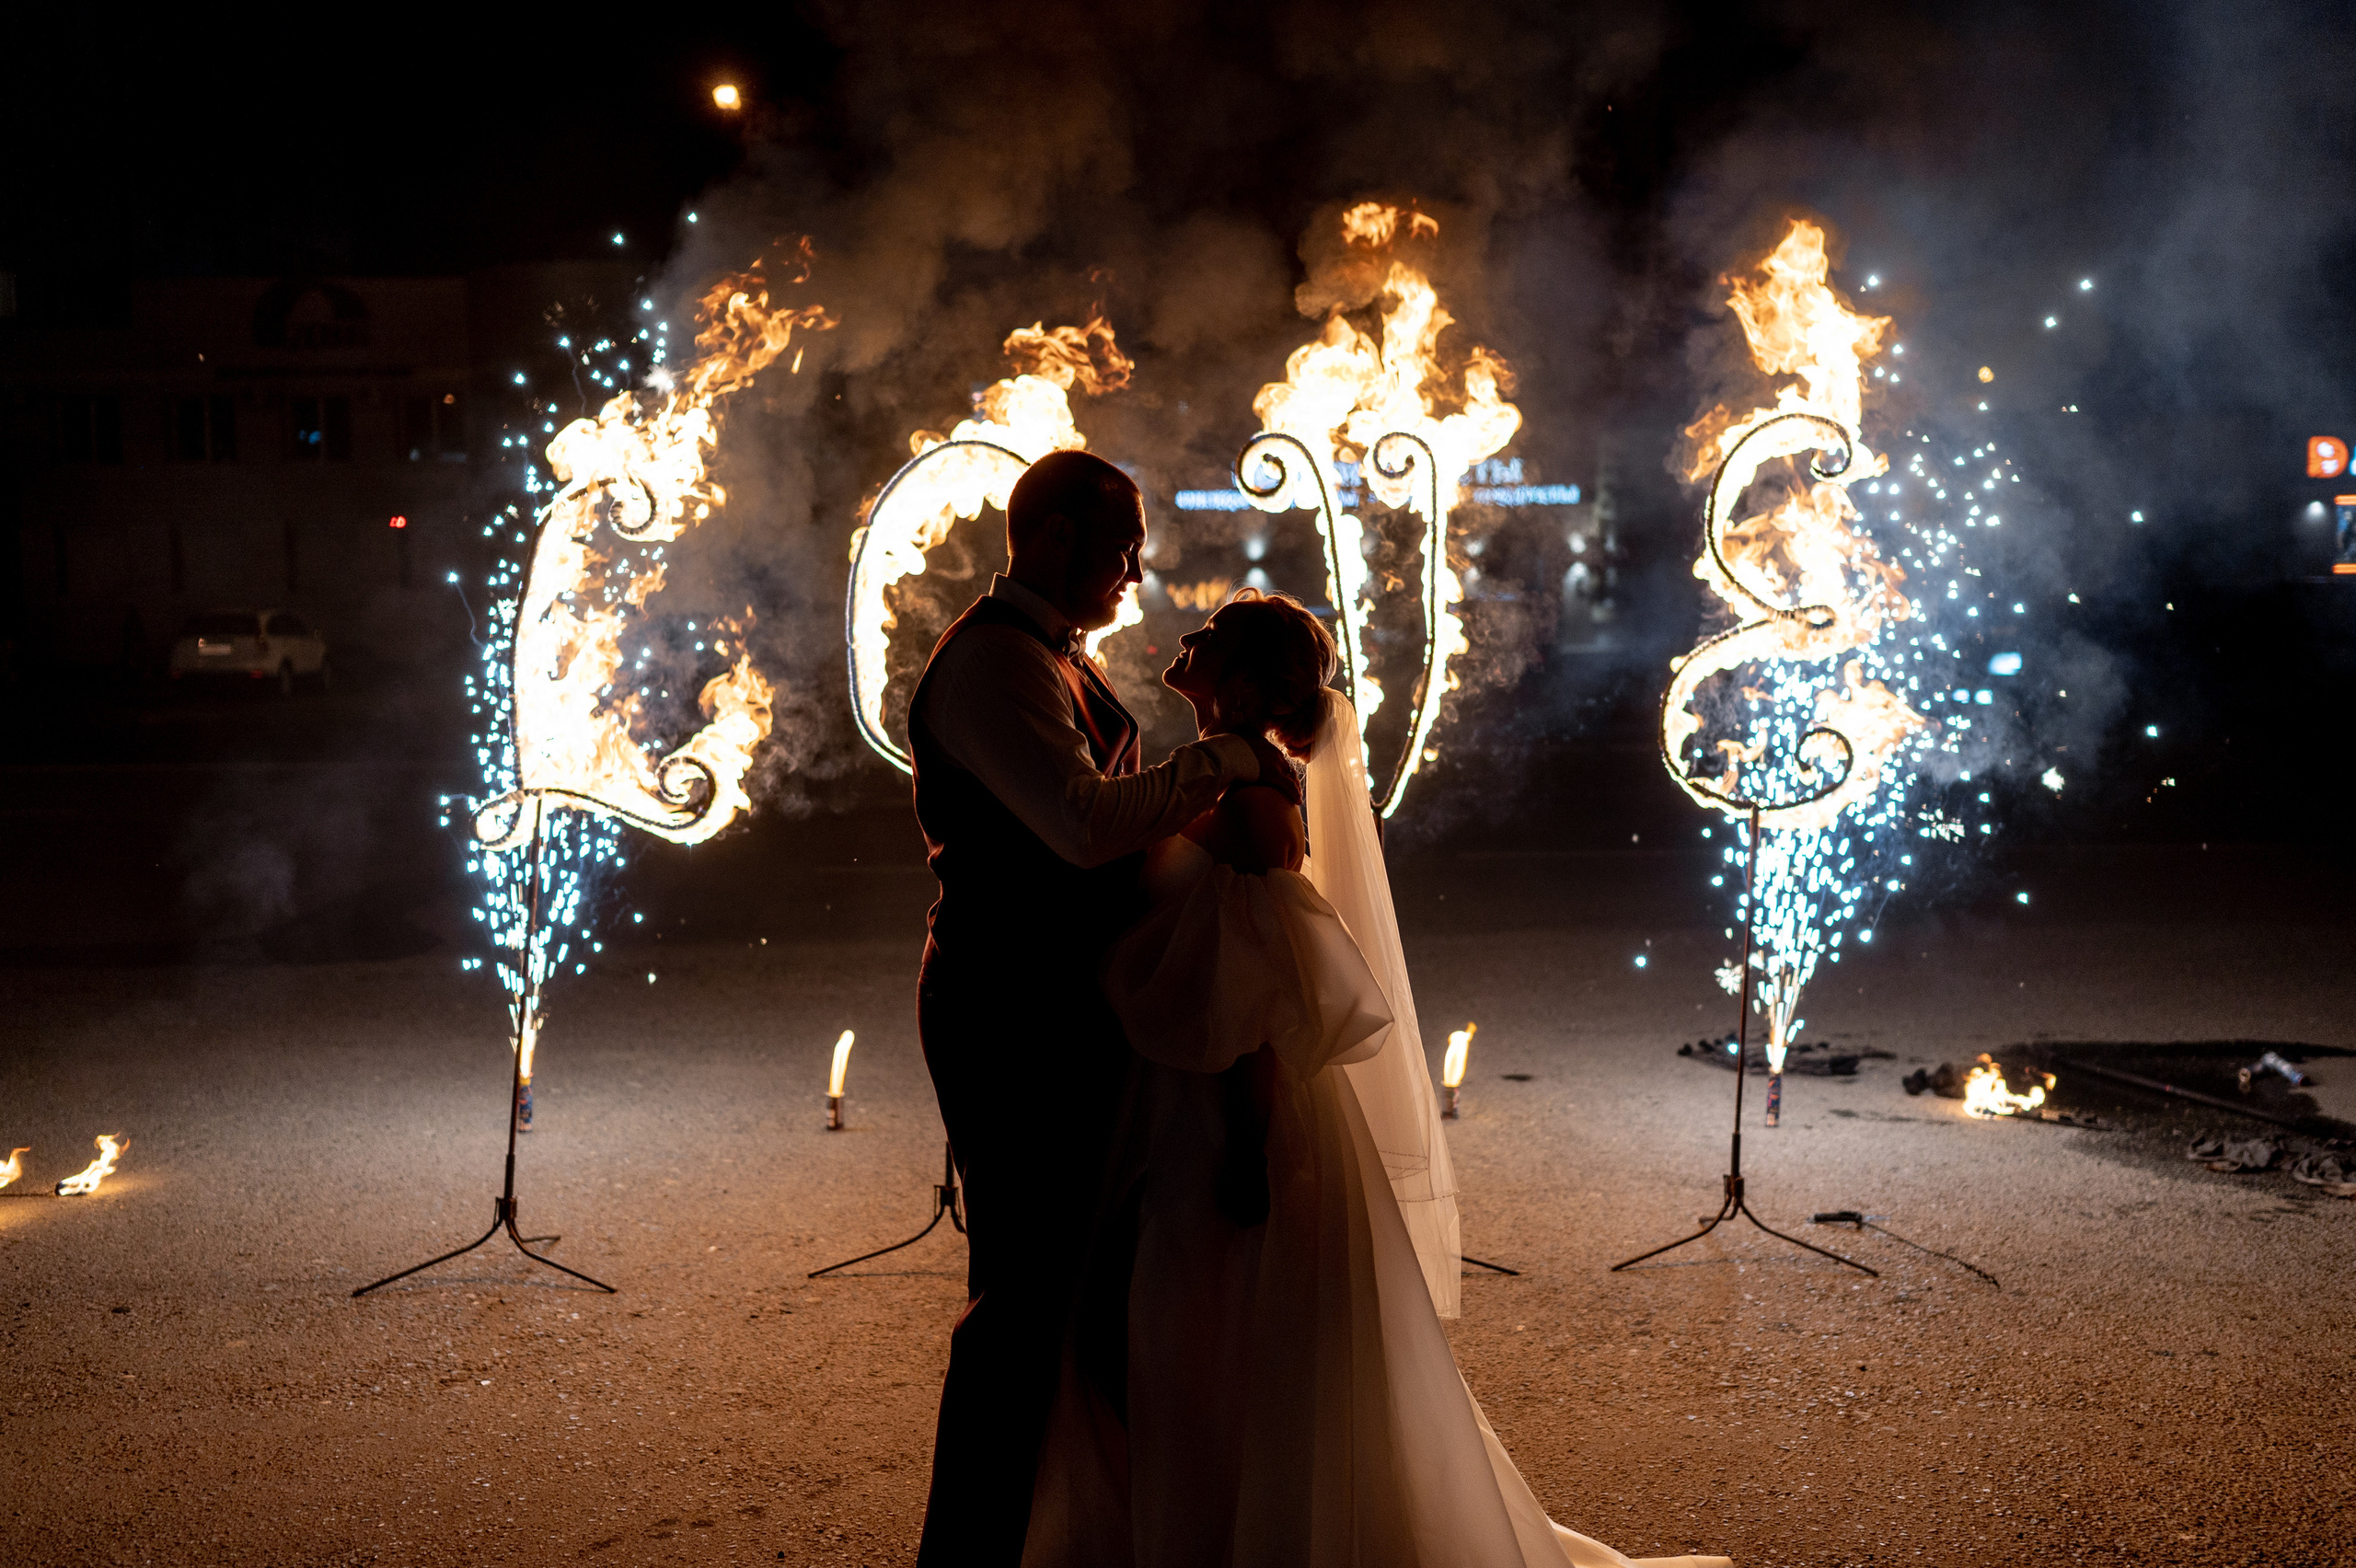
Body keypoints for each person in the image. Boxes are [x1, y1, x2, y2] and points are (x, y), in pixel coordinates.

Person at [1023, 590, 1733, 1568]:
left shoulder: (1251, 806)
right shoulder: (1216, 785)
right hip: (1181, 1102)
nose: (1186, 634)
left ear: (1243, 683)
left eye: (1213, 635)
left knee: (1194, 1338)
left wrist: (1242, 1145)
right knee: (1172, 1340)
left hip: (1228, 1115)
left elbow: (1261, 1006)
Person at [907, 450, 1280, 1566]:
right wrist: (1223, 758)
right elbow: (1077, 825)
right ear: (1056, 536)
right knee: (1021, 1307)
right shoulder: (990, 667)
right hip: (1008, 1011)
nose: (1134, 570)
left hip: (1068, 1005)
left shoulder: (1053, 659)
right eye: (1121, 546)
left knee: (1087, 1295)